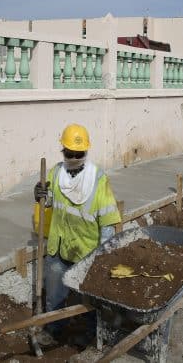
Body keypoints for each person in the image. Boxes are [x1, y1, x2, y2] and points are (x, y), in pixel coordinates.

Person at [34, 124, 121, 345]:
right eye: (69, 153)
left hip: (86, 251)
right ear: (63, 150)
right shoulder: (55, 173)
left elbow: (108, 220)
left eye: (78, 154)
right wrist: (41, 195)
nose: (73, 157)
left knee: (89, 298)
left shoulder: (98, 178)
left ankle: (90, 333)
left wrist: (103, 255)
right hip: (59, 247)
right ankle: (53, 331)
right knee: (54, 295)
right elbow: (51, 203)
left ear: (85, 153)